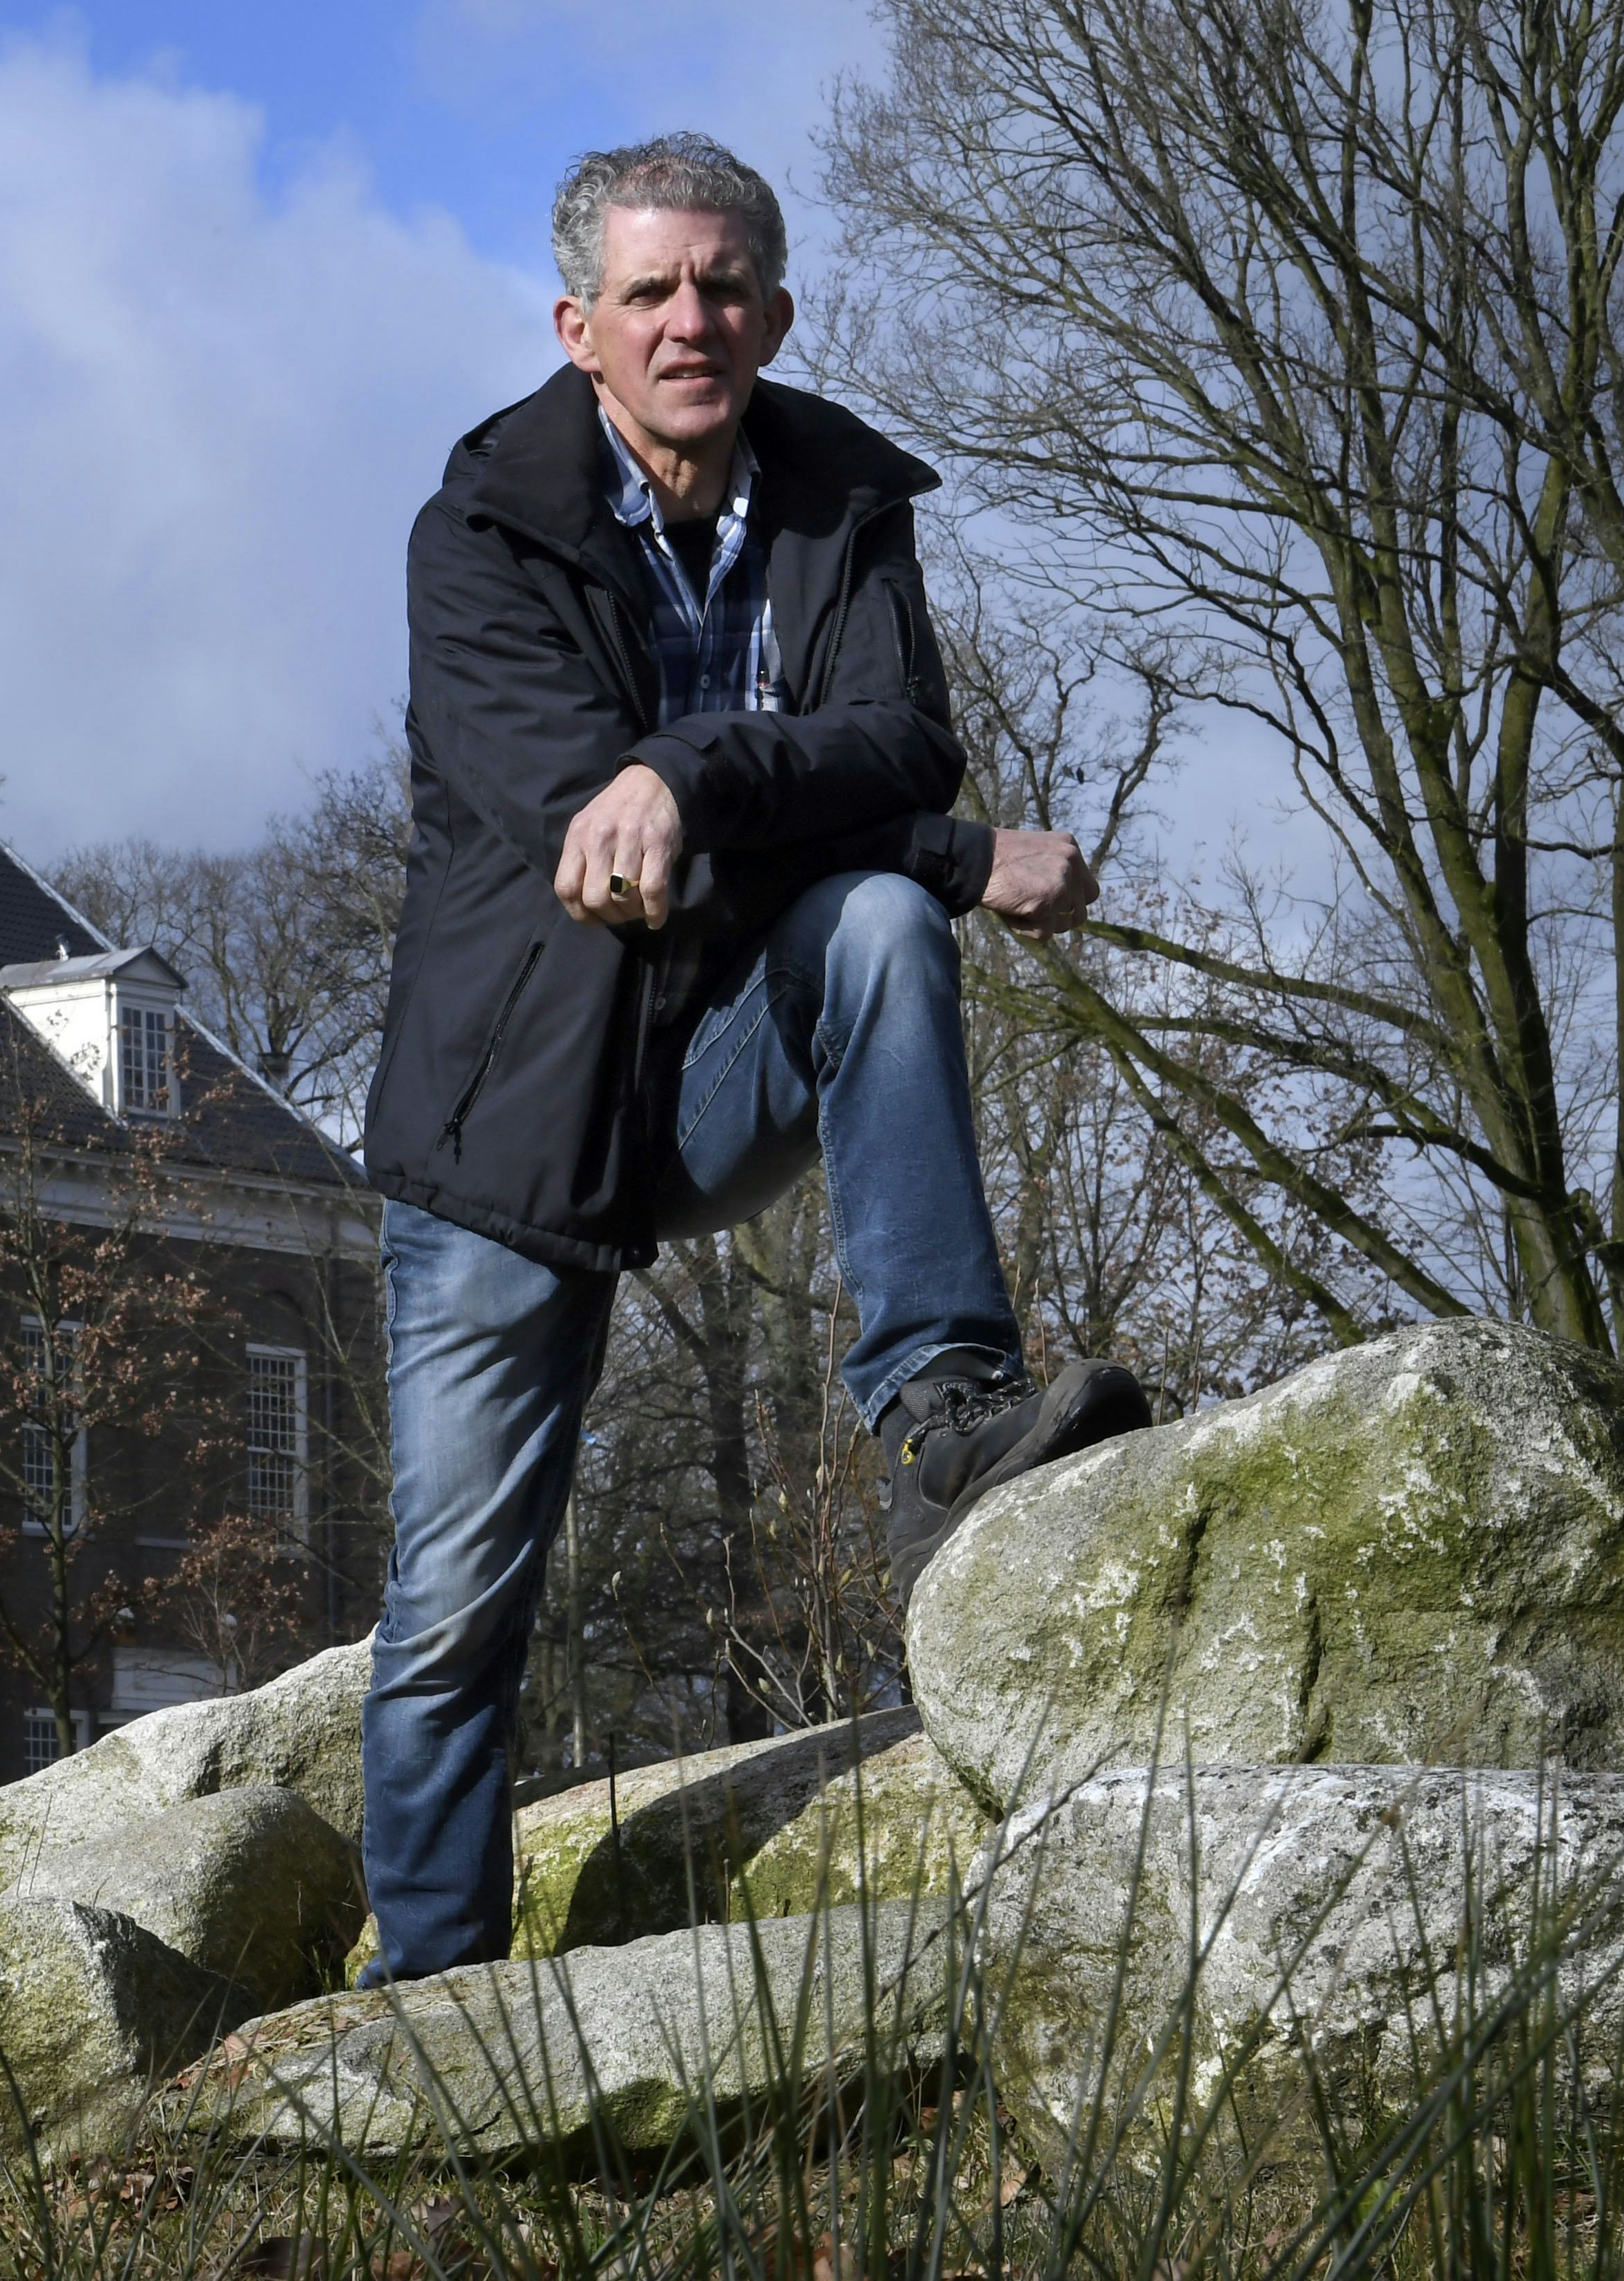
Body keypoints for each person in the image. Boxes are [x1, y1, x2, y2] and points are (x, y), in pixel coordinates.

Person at [355, 134, 1153, 1983]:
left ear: (777, 312)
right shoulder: (477, 538)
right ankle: (431, 1994)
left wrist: (725, 783)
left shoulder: (841, 505)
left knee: (874, 928)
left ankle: (943, 1416)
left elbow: (900, 748)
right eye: (651, 293)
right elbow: (591, 837)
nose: (690, 320)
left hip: (725, 1061)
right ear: (581, 328)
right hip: (516, 1124)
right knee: (460, 1604)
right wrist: (934, 852)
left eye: (723, 287)